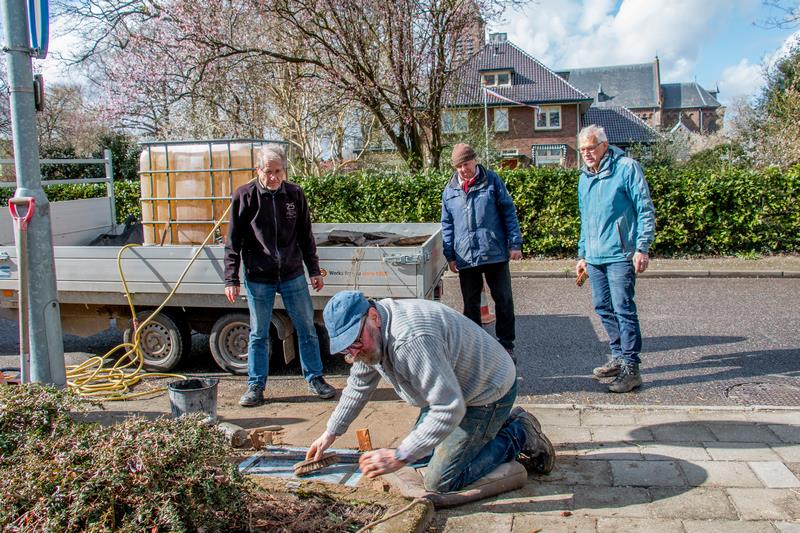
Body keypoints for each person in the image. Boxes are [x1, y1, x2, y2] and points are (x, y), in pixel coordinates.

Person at [306, 290, 555, 493]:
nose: (354, 352)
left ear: (373, 316)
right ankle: (489, 431)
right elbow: (359, 385)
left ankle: (519, 432)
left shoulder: (409, 340)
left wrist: (399, 456)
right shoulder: (371, 335)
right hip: (450, 389)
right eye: (346, 349)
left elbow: (449, 408)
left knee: (439, 482)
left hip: (487, 392)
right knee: (418, 457)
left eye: (356, 342)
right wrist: (330, 433)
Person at [224, 145, 335, 406]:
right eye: (268, 172)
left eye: (278, 171)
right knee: (259, 333)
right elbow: (233, 242)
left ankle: (315, 378)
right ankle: (255, 386)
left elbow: (306, 236)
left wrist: (314, 270)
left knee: (307, 328)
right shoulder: (244, 197)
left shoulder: (294, 194)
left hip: (292, 273)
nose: (273, 177)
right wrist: (231, 278)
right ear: (257, 170)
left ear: (284, 170)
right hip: (258, 276)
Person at [575, 125, 656, 393]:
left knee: (623, 308)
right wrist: (583, 254)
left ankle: (631, 368)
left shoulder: (627, 168)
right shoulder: (584, 177)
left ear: (604, 145)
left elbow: (644, 208)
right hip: (595, 256)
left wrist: (642, 247)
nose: (586, 154)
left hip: (621, 253)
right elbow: (585, 219)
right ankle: (618, 356)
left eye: (590, 148)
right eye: (582, 149)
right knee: (602, 306)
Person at [441, 143, 523, 361]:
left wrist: (515, 243)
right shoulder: (450, 190)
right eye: (458, 166)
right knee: (471, 305)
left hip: (494, 252)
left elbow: (508, 212)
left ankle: (506, 345)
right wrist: (449, 254)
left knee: (503, 300)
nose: (462, 170)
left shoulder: (493, 181)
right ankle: (475, 346)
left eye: (465, 164)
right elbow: (447, 224)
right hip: (465, 256)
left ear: (474, 160)